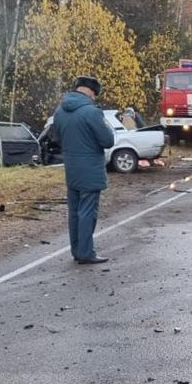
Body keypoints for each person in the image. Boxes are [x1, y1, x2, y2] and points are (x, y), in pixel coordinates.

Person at [53, 75, 115, 265]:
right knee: (88, 211)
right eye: (95, 94)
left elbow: (56, 138)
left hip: (71, 168)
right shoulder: (91, 112)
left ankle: (77, 250)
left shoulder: (59, 111)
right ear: (90, 91)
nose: (94, 98)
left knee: (74, 211)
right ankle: (86, 253)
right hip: (90, 169)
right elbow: (108, 140)